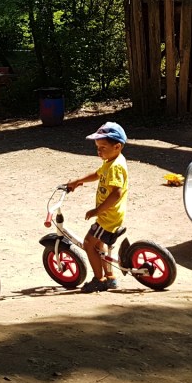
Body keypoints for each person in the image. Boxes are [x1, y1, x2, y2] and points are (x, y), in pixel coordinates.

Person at [65, 121, 129, 293]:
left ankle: (99, 280)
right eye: (97, 147)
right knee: (99, 245)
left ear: (117, 146)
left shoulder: (115, 167)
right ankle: (111, 278)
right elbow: (97, 174)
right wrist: (78, 180)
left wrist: (97, 210)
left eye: (103, 147)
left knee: (88, 243)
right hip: (110, 215)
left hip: (108, 218)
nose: (99, 151)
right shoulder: (111, 161)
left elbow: (117, 193)